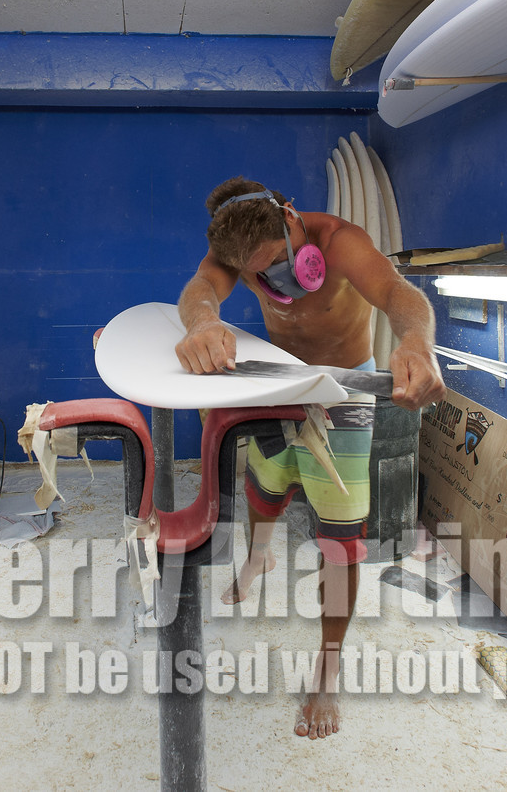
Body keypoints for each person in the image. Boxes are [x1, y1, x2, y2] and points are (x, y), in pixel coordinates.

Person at [174, 176, 445, 739]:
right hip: (281, 386)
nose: (273, 279)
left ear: (292, 218)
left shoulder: (339, 240)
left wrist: (416, 340)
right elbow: (200, 287)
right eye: (256, 274)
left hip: (343, 394)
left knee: (341, 538)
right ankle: (259, 558)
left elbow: (398, 293)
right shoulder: (237, 255)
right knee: (265, 486)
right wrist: (203, 321)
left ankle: (326, 671)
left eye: (278, 260)